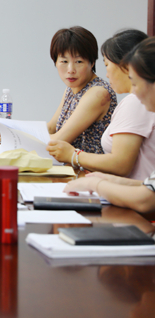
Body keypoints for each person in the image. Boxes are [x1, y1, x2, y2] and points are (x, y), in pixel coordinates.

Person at [47, 29, 155, 179]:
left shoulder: (132, 101)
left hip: (99, 178)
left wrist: (73, 155)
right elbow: (51, 127)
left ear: (126, 66)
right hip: (106, 180)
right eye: (64, 61)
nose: (107, 74)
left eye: (107, 65)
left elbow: (121, 164)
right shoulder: (133, 101)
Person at [64, 36, 155, 213]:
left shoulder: (132, 102)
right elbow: (148, 186)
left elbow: (146, 200)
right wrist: (109, 181)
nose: (135, 92)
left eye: (136, 83)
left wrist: (95, 184)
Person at [0, 26, 116, 153]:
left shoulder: (98, 92)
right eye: (64, 61)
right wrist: (10, 131)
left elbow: (60, 139)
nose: (71, 70)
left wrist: (13, 138)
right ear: (55, 62)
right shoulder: (72, 88)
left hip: (88, 164)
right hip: (68, 162)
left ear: (92, 62)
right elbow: (51, 128)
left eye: (79, 61)